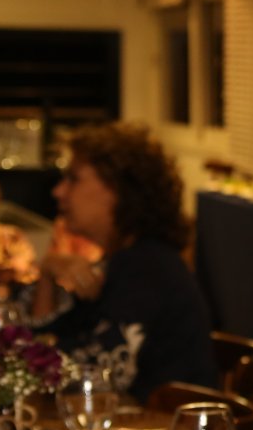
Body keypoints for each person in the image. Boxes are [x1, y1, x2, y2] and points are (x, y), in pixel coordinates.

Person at [29, 122, 215, 403]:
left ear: (119, 189)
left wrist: (27, 358)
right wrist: (47, 272)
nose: (59, 191)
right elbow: (41, 342)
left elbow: (93, 376)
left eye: (74, 179)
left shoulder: (148, 269)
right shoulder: (122, 259)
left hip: (165, 427)